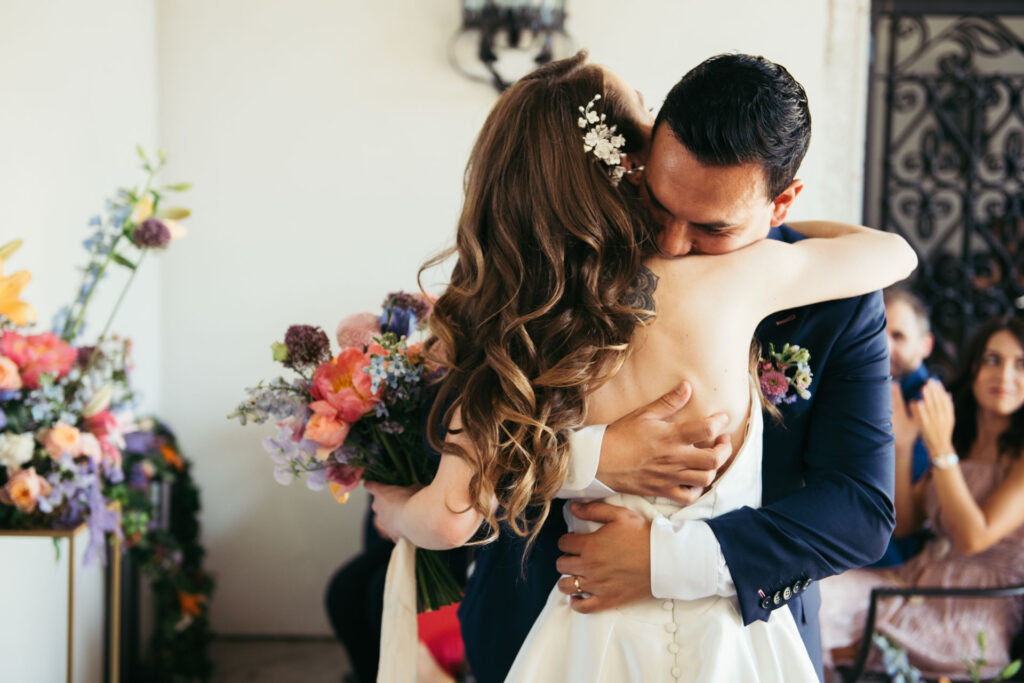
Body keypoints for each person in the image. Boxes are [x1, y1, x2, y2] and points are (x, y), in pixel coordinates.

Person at [366, 51, 916, 682]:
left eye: (712, 225)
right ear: (634, 162)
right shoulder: (520, 307)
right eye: (657, 205)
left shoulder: (824, 298)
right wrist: (597, 454)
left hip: (737, 621)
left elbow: (860, 511)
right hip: (534, 616)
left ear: (781, 202)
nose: (676, 243)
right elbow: (892, 250)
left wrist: (664, 559)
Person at [819, 315, 1024, 679]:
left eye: (1021, 364)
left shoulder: (978, 447)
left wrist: (941, 449)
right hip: (909, 584)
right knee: (807, 595)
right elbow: (907, 523)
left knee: (812, 630)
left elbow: (973, 537)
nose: (1004, 376)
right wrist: (905, 444)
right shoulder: (962, 436)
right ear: (975, 367)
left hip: (968, 615)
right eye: (993, 360)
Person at [870, 285, 936, 567]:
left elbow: (908, 520)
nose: (883, 346)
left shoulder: (928, 401)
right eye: (877, 331)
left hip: (897, 554)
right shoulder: (863, 386)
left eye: (898, 336)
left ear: (925, 345)